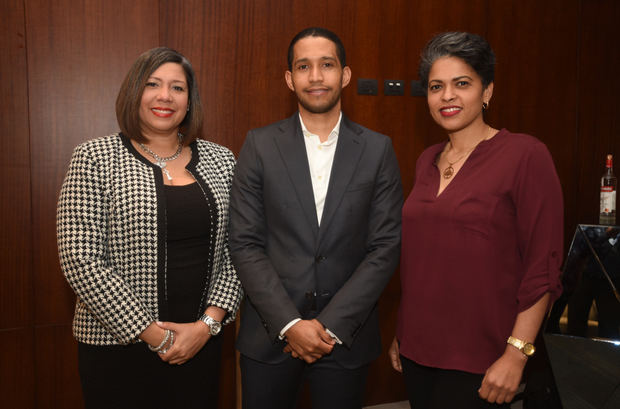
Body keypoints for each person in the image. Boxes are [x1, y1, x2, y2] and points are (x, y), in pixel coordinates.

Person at [57, 47, 243, 409]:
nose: (165, 96)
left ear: (189, 101)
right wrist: (155, 336)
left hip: (202, 341)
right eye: (153, 84)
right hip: (117, 345)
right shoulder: (94, 157)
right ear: (134, 92)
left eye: (178, 87)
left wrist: (207, 324)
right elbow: (80, 259)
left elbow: (242, 247)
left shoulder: (223, 159)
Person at [229, 27, 403, 409]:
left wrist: (330, 325)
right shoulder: (259, 145)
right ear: (290, 79)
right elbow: (244, 242)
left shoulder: (377, 150)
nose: (316, 76)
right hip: (270, 336)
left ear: (344, 75)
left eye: (327, 65)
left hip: (345, 340)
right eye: (303, 66)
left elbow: (385, 247)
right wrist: (291, 325)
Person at [388, 32, 564, 408]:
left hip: (483, 359)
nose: (447, 96)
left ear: (487, 91)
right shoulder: (426, 161)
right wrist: (402, 332)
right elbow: (422, 259)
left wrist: (517, 354)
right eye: (436, 87)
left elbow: (543, 266)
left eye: (462, 84)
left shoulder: (525, 155)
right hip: (418, 351)